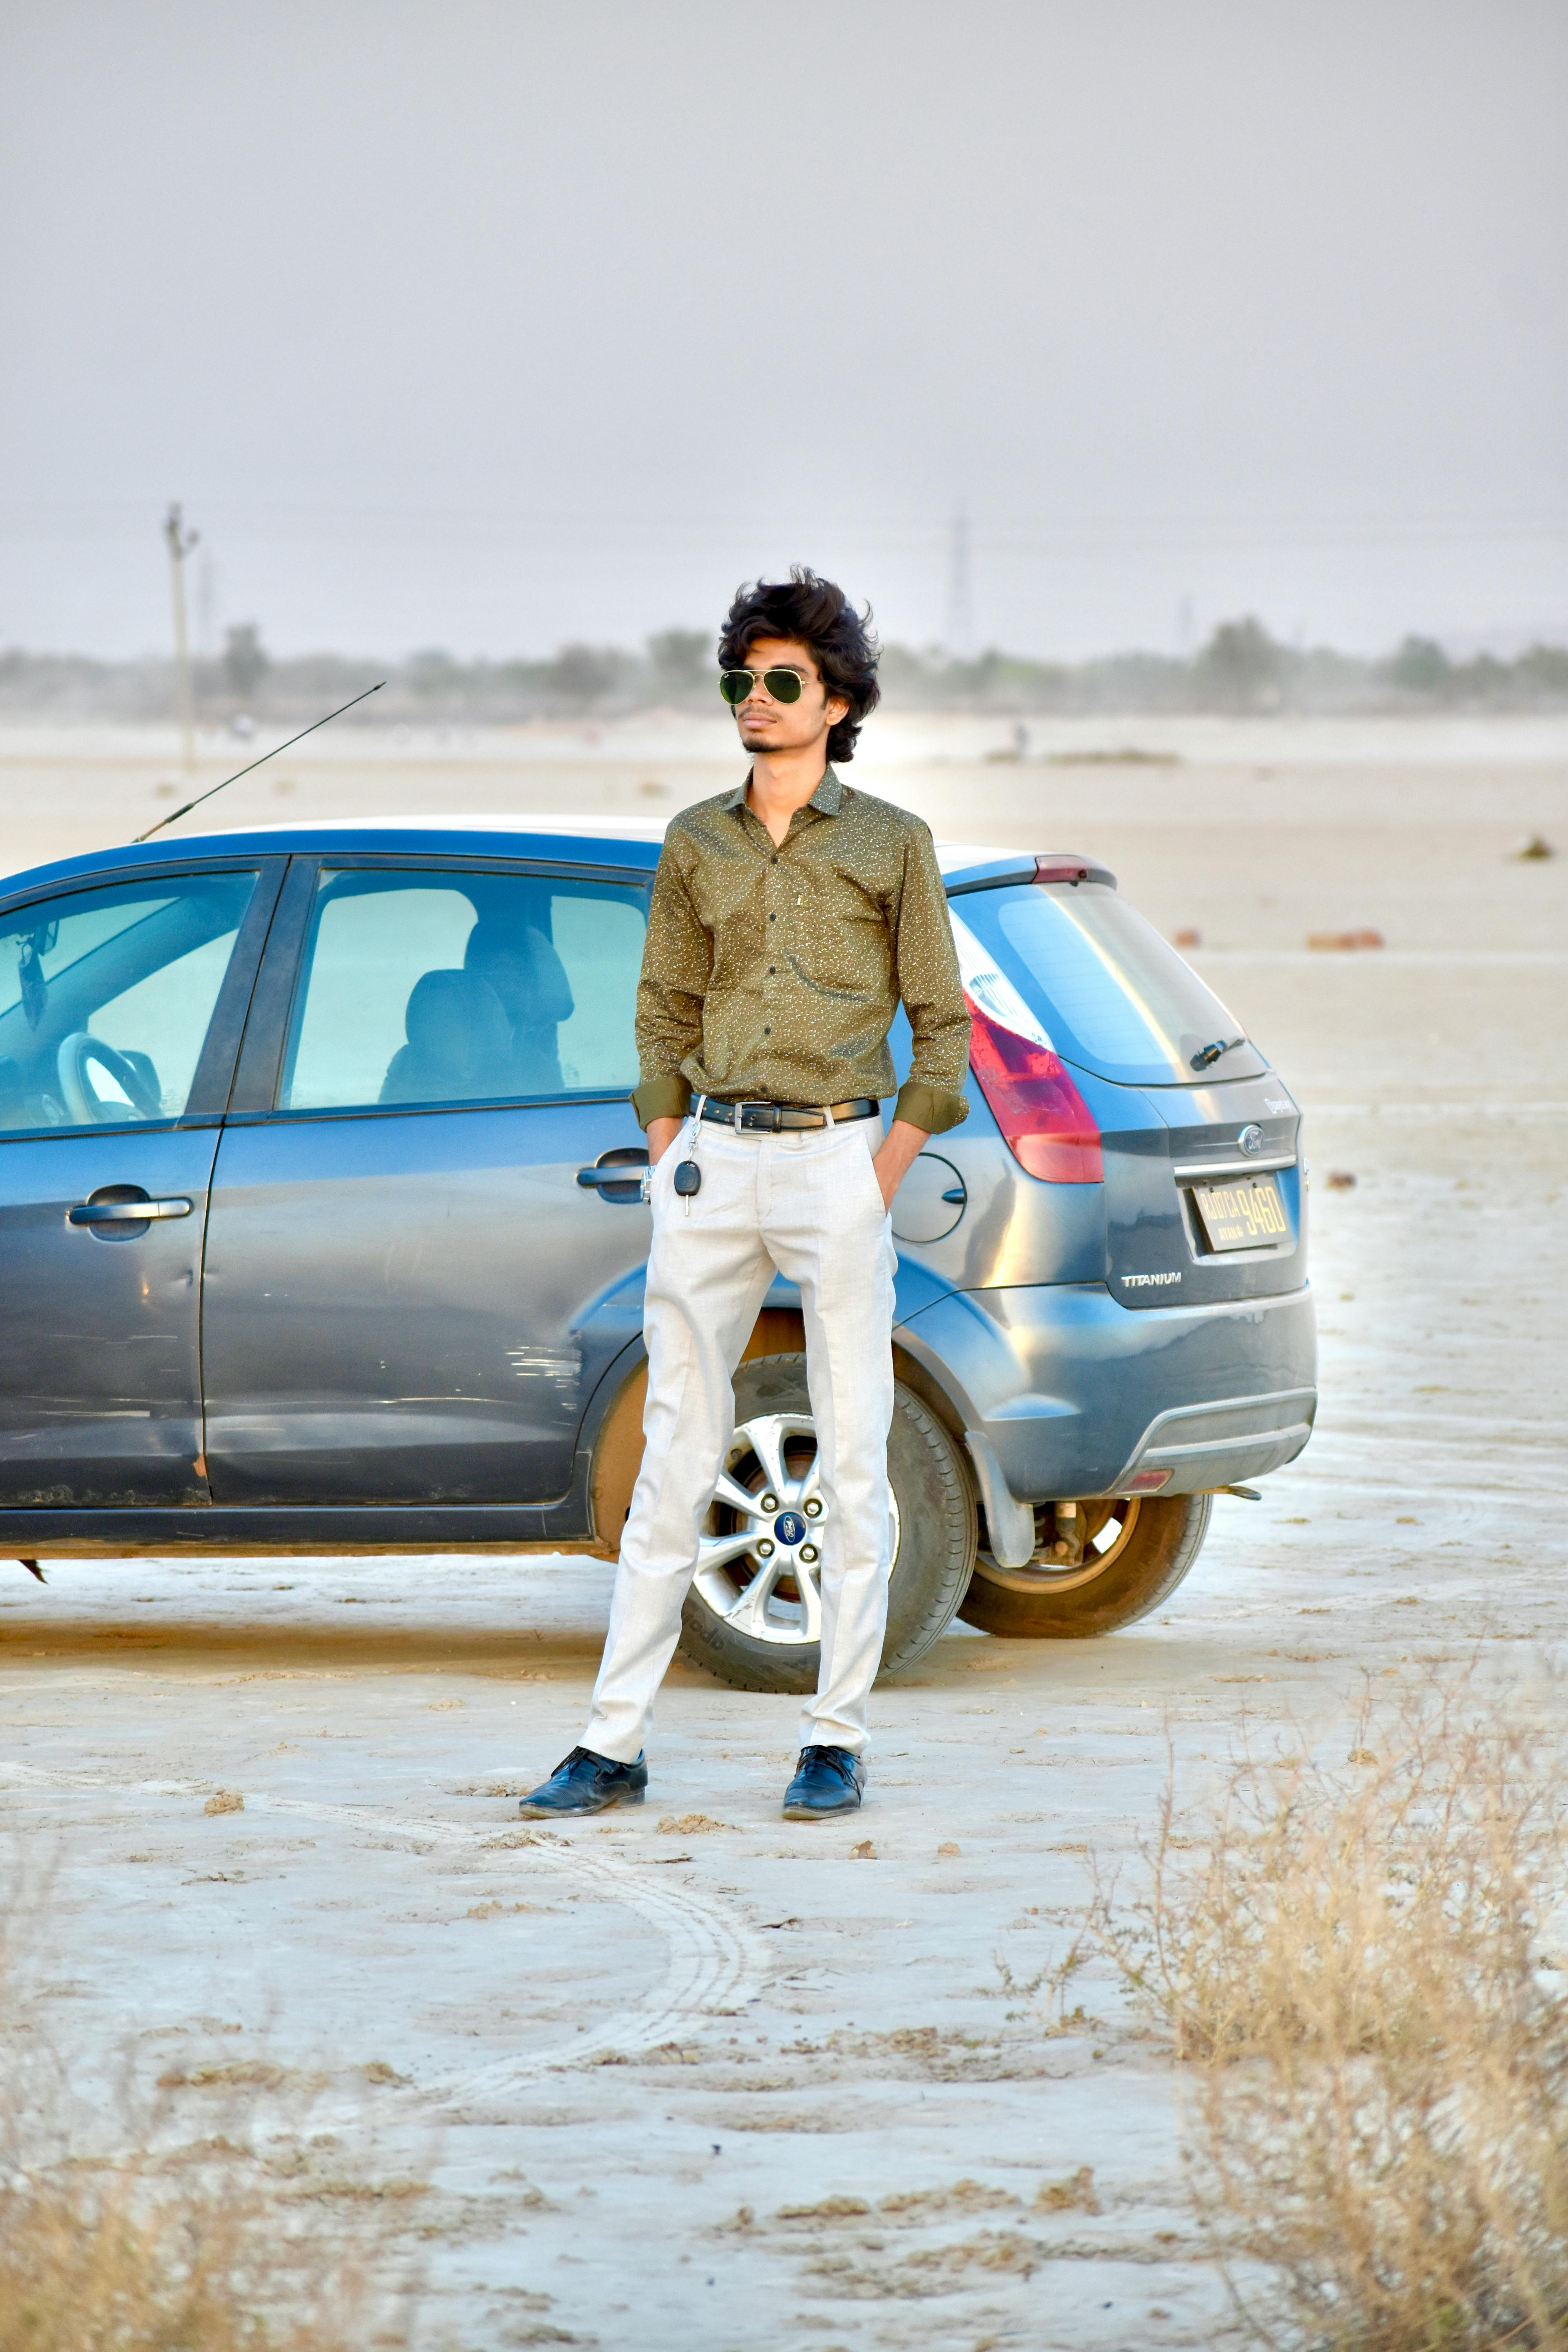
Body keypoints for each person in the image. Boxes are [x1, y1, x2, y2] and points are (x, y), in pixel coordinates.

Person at [519, 568, 970, 1822]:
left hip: (839, 1161)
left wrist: (878, 1171)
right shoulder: (695, 842)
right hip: (713, 1161)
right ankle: (612, 1743)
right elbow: (661, 1005)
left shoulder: (893, 844)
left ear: (836, 703)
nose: (754, 704)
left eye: (781, 684)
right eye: (742, 682)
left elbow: (944, 1031)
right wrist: (669, 1141)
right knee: (673, 1452)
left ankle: (836, 1739)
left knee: (854, 1453)